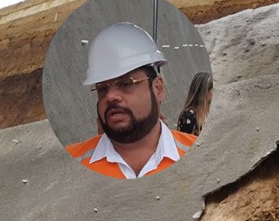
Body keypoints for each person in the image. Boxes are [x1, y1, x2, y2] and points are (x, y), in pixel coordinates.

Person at [66, 22, 197, 179]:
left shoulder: (201, 153)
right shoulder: (69, 165)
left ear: (158, 89)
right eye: (102, 89)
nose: (110, 97)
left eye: (126, 84)